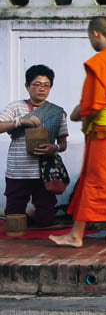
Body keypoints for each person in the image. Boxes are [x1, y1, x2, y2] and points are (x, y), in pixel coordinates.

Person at [49, 16, 106, 248]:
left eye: (90, 37)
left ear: (96, 34)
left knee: (92, 181)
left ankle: (76, 235)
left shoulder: (99, 63)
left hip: (103, 132)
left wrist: (83, 122)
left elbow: (91, 105)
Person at [0, 65, 68, 228]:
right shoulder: (15, 108)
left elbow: (63, 143)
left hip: (45, 171)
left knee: (46, 217)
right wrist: (19, 121)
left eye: (46, 85)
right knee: (14, 218)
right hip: (18, 170)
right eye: (36, 84)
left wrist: (55, 149)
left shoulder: (57, 112)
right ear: (27, 86)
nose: (41, 89)